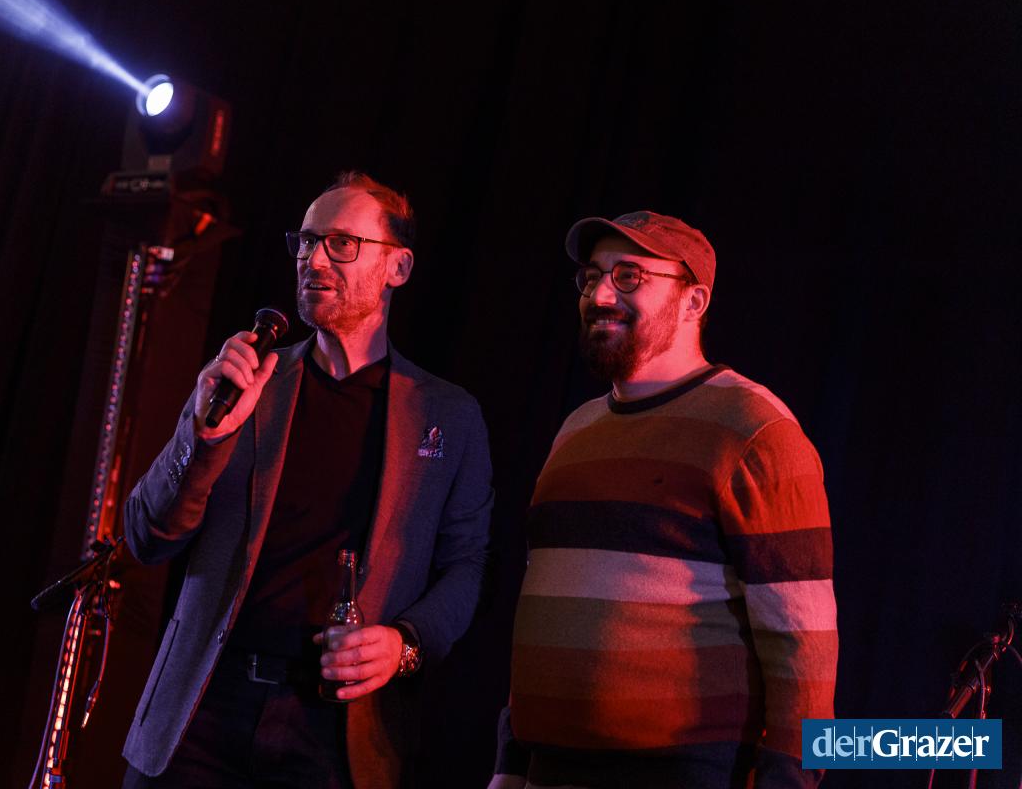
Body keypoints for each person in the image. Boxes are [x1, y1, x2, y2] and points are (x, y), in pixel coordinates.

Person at [121, 171, 494, 788]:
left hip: (335, 730)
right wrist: (202, 438)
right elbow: (146, 537)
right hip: (203, 711)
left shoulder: (447, 415)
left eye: (341, 243)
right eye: (306, 241)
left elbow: (467, 565)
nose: (314, 259)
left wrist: (405, 643)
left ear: (397, 267)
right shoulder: (251, 384)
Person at [491, 211, 837, 789]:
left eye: (629, 276)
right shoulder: (576, 430)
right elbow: (548, 607)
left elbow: (803, 641)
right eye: (592, 276)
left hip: (680, 773)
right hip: (548, 769)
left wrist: (788, 778)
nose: (600, 295)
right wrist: (512, 762)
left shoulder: (754, 429)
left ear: (694, 301)